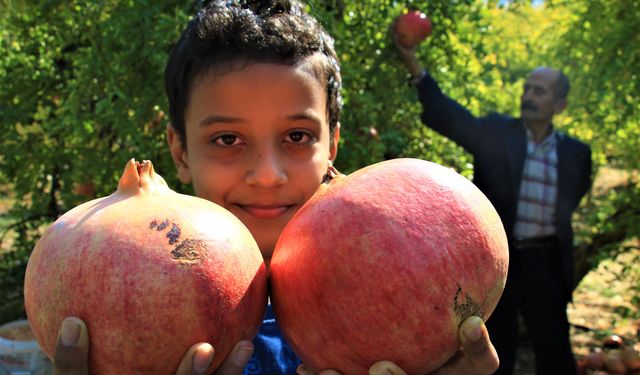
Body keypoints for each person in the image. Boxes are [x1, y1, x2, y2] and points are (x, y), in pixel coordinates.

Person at [49, 2, 502, 374]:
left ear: (333, 144)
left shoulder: (406, 280)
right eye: (227, 140)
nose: (268, 175)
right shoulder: (124, 287)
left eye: (297, 137)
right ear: (180, 152)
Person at [394, 26, 593, 375]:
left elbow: (573, 198)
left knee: (554, 346)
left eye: (540, 91)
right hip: (498, 262)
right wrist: (413, 64)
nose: (529, 95)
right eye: (528, 87)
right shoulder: (497, 134)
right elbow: (450, 117)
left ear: (559, 104)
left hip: (547, 261)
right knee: (494, 347)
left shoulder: (576, 154)